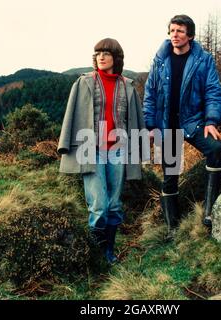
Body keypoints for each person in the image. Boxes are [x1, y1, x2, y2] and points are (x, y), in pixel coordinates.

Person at [57, 38, 146, 264]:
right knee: (98, 206)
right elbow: (71, 116)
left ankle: (108, 252)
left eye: (106, 53)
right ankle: (95, 255)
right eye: (98, 53)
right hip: (91, 150)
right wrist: (65, 145)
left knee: (114, 206)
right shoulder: (84, 82)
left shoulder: (127, 86)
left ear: (116, 58)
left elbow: (135, 120)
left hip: (118, 151)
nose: (101, 57)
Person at [143, 15, 221, 233]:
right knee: (170, 177)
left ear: (190, 35)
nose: (174, 35)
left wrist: (211, 121)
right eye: (171, 31)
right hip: (167, 125)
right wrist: (150, 126)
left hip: (194, 122)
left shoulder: (203, 59)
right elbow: (150, 94)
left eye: (179, 31)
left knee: (216, 148)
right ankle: (172, 228)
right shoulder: (160, 60)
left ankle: (209, 212)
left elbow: (213, 91)